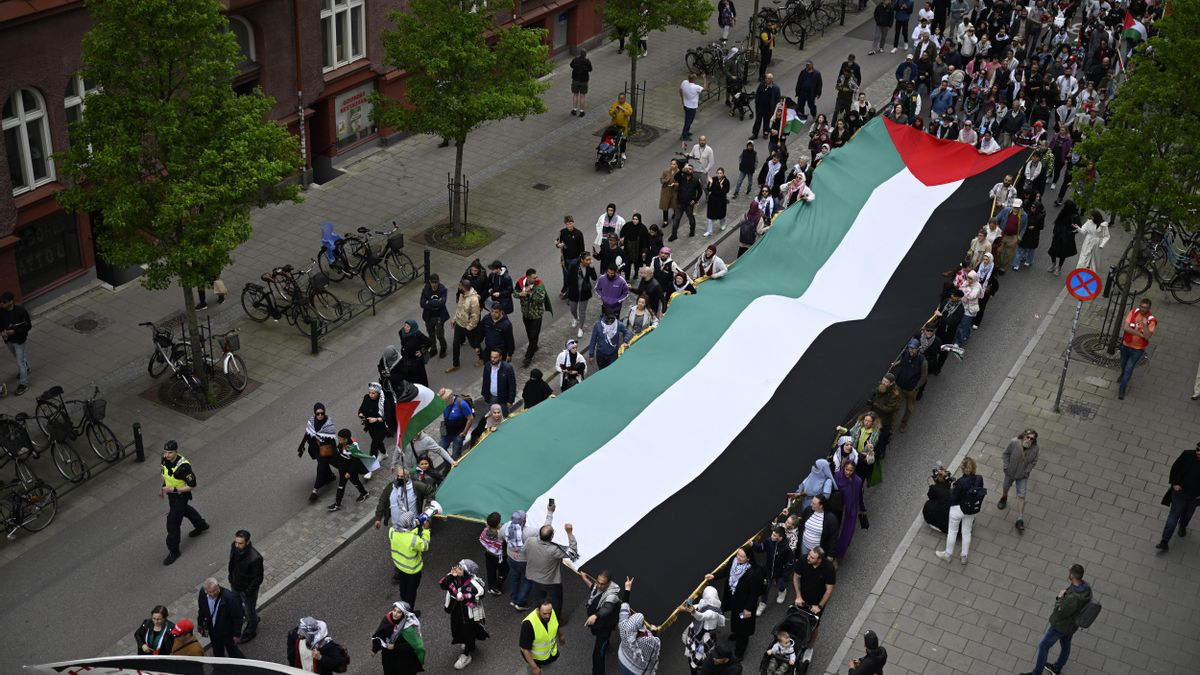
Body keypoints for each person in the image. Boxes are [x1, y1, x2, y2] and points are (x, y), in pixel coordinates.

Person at [1019, 564, 1092, 675]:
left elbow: (1061, 612)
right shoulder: (1086, 589)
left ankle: (1036, 673)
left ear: (1072, 576)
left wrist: (1060, 598)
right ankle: (1057, 668)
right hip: (1072, 625)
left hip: (1061, 626)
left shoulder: (1074, 598)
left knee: (1043, 646)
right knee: (1066, 644)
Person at [704, 546, 763, 659]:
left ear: (748, 559)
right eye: (738, 554)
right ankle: (736, 633)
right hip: (735, 601)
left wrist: (748, 609)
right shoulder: (734, 561)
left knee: (744, 627)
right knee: (736, 619)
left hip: (745, 605)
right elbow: (726, 571)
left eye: (742, 556)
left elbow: (753, 594)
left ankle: (739, 653)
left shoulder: (753, 573)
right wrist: (714, 576)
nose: (738, 557)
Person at [160, 440, 209, 566]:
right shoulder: (164, 459)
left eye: (170, 452)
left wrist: (173, 489)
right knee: (185, 510)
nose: (167, 455)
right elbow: (164, 473)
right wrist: (163, 487)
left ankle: (174, 551)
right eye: (165, 452)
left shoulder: (184, 467)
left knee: (172, 523)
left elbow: (192, 485)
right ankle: (201, 525)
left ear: (176, 451)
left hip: (181, 496)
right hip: (172, 495)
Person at [525, 504, 578, 619]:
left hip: (534, 577)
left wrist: (550, 512)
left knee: (538, 599)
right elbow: (573, 552)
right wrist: (569, 533)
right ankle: (556, 620)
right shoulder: (554, 550)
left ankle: (540, 616)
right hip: (550, 581)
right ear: (552, 537)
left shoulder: (530, 541)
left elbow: (544, 530)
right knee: (556, 601)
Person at [439, 559, 490, 670]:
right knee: (456, 628)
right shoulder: (452, 577)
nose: (456, 569)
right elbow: (443, 585)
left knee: (468, 631)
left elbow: (481, 594)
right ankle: (468, 643)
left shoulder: (473, 583)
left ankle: (466, 655)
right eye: (457, 566)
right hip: (456, 609)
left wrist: (465, 598)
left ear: (466, 572)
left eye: (460, 568)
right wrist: (451, 576)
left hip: (469, 613)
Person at [935, 456, 983, 565]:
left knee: (952, 532)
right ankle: (964, 556)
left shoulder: (961, 482)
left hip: (958, 509)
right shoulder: (979, 479)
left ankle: (948, 555)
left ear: (963, 468)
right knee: (966, 532)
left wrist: (952, 488)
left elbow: (953, 497)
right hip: (971, 510)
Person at [1157, 442, 1200, 552]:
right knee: (1173, 517)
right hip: (1180, 493)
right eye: (1197, 449)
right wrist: (1174, 483)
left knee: (1188, 514)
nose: (1198, 452)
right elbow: (1175, 468)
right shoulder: (1187, 455)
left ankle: (1182, 526)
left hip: (1195, 497)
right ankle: (1164, 541)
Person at [577, 569, 622, 675]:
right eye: (598, 582)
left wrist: (595, 616)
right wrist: (584, 578)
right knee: (601, 642)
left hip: (604, 627)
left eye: (602, 584)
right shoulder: (597, 586)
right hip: (598, 624)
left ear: (609, 583)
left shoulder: (612, 595)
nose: (599, 586)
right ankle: (607, 645)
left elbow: (607, 608)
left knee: (598, 655)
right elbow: (593, 588)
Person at [617, 578, 661, 675]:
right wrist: (654, 631)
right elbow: (656, 644)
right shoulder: (646, 640)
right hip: (636, 671)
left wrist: (627, 588)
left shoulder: (624, 626)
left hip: (622, 660)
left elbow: (624, 607)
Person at [999, 430, 1040, 533]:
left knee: (1022, 495)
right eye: (1028, 437)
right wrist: (1006, 466)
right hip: (1010, 472)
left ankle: (1020, 519)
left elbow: (1034, 462)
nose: (1029, 440)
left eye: (1032, 439)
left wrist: (1027, 472)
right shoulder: (1014, 442)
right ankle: (1004, 497)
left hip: (1022, 476)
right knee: (1006, 486)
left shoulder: (1035, 449)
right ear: (1024, 436)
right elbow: (1006, 454)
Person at [390, 513, 433, 607]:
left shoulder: (392, 531)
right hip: (412, 570)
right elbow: (425, 546)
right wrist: (426, 530)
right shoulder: (413, 539)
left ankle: (403, 603)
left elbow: (407, 529)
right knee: (411, 592)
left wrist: (416, 522)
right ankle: (408, 610)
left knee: (403, 587)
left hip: (400, 566)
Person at [228, 530, 263, 642]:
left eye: (240, 543)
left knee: (249, 611)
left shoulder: (255, 558)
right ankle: (253, 618)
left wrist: (247, 592)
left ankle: (251, 631)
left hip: (247, 590)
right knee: (237, 605)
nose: (237, 545)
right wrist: (231, 578)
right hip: (235, 585)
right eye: (236, 542)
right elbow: (232, 563)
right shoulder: (234, 547)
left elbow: (258, 578)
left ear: (247, 542)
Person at [372, 601, 426, 675]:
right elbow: (379, 634)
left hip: (403, 660)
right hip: (388, 658)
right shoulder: (387, 620)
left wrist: (395, 647)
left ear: (404, 614)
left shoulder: (408, 629)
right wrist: (375, 649)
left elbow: (413, 647)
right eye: (394, 610)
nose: (395, 614)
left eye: (399, 612)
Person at [1118, 298, 1156, 400]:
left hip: (1137, 349)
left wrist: (1145, 325)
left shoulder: (1151, 320)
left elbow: (1147, 337)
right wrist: (1140, 334)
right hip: (1126, 345)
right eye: (1141, 307)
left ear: (1149, 308)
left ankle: (1122, 388)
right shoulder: (1134, 312)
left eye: (1145, 308)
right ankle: (1122, 374)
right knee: (1123, 364)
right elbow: (1126, 328)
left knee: (1129, 369)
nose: (1143, 309)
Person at [680, 585, 724, 674]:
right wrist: (685, 609)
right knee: (696, 654)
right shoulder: (708, 604)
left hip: (705, 637)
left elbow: (701, 616)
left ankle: (700, 668)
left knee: (702, 657)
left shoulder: (713, 613)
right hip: (699, 633)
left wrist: (693, 612)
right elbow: (698, 606)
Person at [300, 403, 338, 503]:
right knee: (323, 464)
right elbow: (307, 433)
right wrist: (301, 445)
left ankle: (315, 490)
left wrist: (334, 450)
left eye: (322, 413)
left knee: (321, 466)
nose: (320, 415)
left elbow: (332, 439)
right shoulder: (312, 422)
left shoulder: (328, 424)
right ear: (315, 413)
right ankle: (330, 476)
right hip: (315, 449)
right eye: (318, 413)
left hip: (326, 449)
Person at [197, 577, 244, 658]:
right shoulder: (202, 593)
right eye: (209, 592)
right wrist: (200, 624)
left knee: (233, 651)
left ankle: (243, 664)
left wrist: (237, 634)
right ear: (205, 590)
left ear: (218, 586)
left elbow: (238, 617)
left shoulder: (230, 598)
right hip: (213, 631)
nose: (212, 594)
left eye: (214, 591)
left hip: (227, 632)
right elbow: (201, 610)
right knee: (217, 650)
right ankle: (220, 664)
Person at [753, 526, 794, 614]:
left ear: (780, 537)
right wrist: (753, 544)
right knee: (765, 588)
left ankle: (782, 591)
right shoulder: (769, 541)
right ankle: (762, 604)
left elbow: (790, 564)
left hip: (780, 573)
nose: (772, 536)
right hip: (768, 571)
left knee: (781, 585)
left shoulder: (787, 549)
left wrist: (785, 575)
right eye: (772, 534)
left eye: (775, 535)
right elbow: (761, 548)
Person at [832, 461, 867, 563]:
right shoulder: (838, 476)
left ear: (854, 470)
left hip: (851, 510)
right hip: (837, 507)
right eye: (846, 469)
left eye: (851, 470)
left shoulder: (857, 481)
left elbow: (859, 496)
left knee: (847, 534)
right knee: (834, 531)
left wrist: (862, 509)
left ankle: (837, 555)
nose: (848, 472)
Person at [328, 431, 370, 512]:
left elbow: (355, 462)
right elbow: (339, 453)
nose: (338, 439)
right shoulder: (341, 444)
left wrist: (349, 472)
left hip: (350, 470)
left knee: (346, 484)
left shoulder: (353, 448)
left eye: (340, 438)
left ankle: (337, 504)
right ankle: (364, 493)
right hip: (342, 468)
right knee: (351, 483)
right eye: (338, 437)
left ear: (346, 439)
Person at [516, 268, 550, 368]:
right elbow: (514, 293)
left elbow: (540, 299)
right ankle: (534, 346)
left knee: (534, 335)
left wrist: (530, 293)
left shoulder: (539, 285)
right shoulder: (521, 283)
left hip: (536, 315)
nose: (536, 279)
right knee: (530, 334)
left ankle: (528, 357)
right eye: (533, 278)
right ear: (528, 277)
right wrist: (520, 294)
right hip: (526, 314)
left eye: (536, 277)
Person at [520, 597, 564, 674]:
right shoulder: (528, 624)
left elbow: (554, 625)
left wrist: (560, 635)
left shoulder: (551, 612)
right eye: (544, 613)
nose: (548, 616)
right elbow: (525, 649)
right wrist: (534, 667)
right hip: (537, 661)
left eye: (549, 613)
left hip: (551, 655)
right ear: (538, 610)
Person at [892, 339, 927, 433]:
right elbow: (902, 361)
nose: (910, 350)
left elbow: (924, 377)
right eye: (909, 348)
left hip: (911, 390)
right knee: (895, 406)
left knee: (909, 408)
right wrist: (894, 365)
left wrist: (916, 388)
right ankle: (891, 424)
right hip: (899, 386)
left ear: (918, 349)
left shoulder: (922, 361)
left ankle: (904, 423)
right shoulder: (906, 354)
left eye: (913, 348)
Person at [447, 279, 482, 373]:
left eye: (460, 286)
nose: (458, 287)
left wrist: (469, 327)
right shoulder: (462, 295)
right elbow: (459, 309)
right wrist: (454, 319)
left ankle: (481, 358)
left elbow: (475, 316)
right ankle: (456, 364)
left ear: (464, 288)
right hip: (459, 323)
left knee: (474, 344)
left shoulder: (474, 300)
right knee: (455, 344)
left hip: (468, 326)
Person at [0, 291, 31, 395]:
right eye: (1, 302)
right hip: (8, 340)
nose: (2, 304)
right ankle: (27, 368)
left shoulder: (21, 311)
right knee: (17, 357)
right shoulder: (1, 312)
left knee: (20, 362)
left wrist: (14, 332)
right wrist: (2, 331)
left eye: (4, 302)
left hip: (19, 340)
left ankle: (24, 384)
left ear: (11, 302)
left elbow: (28, 326)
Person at [420, 274, 450, 358]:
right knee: (431, 334)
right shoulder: (426, 290)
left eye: (436, 282)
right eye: (432, 282)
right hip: (429, 316)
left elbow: (442, 303)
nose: (434, 284)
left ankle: (443, 347)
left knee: (439, 334)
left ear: (438, 281)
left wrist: (428, 302)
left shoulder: (443, 289)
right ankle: (433, 348)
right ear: (430, 282)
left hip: (439, 316)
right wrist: (436, 304)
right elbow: (422, 303)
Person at [1046, 199, 1080, 275]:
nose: (1064, 207)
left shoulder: (1074, 216)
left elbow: (1078, 228)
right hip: (1058, 235)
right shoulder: (1063, 212)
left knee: (1063, 253)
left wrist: (1070, 233)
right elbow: (1057, 222)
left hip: (1066, 238)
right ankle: (1053, 263)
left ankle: (1059, 267)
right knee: (1052, 251)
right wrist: (1054, 232)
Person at [557, 215, 586, 298]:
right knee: (566, 276)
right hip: (565, 259)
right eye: (567, 224)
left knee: (572, 277)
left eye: (570, 223)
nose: (569, 225)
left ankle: (571, 294)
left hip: (574, 259)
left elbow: (582, 248)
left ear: (573, 223)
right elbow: (558, 242)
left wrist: (581, 260)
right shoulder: (562, 232)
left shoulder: (578, 233)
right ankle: (567, 291)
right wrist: (558, 245)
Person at [397, 320, 434, 387]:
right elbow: (403, 342)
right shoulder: (401, 332)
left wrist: (422, 351)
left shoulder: (417, 334)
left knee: (420, 375)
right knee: (409, 374)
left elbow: (429, 342)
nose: (405, 328)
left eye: (408, 327)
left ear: (412, 328)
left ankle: (423, 388)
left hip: (416, 359)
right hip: (406, 357)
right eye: (405, 325)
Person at [481, 348, 517, 417]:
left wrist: (510, 400)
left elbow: (512, 385)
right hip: (490, 398)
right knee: (491, 416)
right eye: (491, 357)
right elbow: (485, 381)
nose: (492, 359)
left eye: (495, 357)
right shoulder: (487, 366)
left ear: (500, 357)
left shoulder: (507, 368)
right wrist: (484, 393)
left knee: (503, 416)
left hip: (502, 399)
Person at [671, 165, 703, 241]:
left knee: (691, 220)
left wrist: (695, 200)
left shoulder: (695, 181)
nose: (689, 170)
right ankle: (674, 235)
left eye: (690, 169)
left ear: (693, 171)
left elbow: (700, 191)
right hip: (680, 204)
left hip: (689, 205)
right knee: (676, 220)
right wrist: (682, 170)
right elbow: (675, 177)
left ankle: (692, 231)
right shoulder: (681, 178)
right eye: (688, 169)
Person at [923, 464, 952, 533]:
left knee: (928, 505)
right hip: (958, 520)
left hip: (947, 527)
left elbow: (930, 497)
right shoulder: (952, 485)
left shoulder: (934, 488)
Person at [752, 75, 781, 140]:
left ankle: (765, 133)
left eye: (768, 79)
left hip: (768, 108)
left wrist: (776, 108)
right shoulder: (762, 85)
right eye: (766, 78)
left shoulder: (775, 88)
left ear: (771, 80)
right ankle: (755, 134)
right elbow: (757, 93)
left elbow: (777, 99)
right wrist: (756, 102)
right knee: (758, 120)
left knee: (766, 121)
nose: (766, 80)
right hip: (760, 106)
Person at [680, 73, 707, 140]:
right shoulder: (696, 87)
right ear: (694, 79)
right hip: (692, 106)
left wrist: (682, 99)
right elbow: (704, 89)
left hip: (686, 105)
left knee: (688, 120)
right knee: (689, 121)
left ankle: (686, 131)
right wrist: (704, 78)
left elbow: (680, 90)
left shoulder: (684, 82)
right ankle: (684, 135)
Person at [705, 168, 730, 235]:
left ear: (723, 174)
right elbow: (708, 189)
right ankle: (709, 231)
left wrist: (720, 185)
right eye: (718, 173)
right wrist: (710, 184)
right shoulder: (713, 179)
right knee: (710, 216)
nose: (719, 174)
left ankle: (723, 224)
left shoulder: (726, 181)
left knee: (721, 215)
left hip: (721, 201)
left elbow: (726, 191)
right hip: (712, 200)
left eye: (720, 173)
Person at [609, 93, 633, 158]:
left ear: (624, 99)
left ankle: (622, 153)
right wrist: (614, 111)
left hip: (623, 127)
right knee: (613, 140)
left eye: (622, 98)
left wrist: (623, 109)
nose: (620, 100)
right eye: (619, 98)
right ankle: (613, 152)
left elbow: (629, 113)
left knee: (623, 141)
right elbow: (610, 112)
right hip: (614, 126)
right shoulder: (615, 104)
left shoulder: (627, 105)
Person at [570, 49, 592, 116]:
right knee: (582, 96)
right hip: (584, 81)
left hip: (575, 80)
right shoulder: (587, 61)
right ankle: (581, 111)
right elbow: (590, 69)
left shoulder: (575, 59)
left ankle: (574, 110)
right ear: (585, 54)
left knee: (575, 94)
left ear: (580, 53)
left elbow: (571, 65)